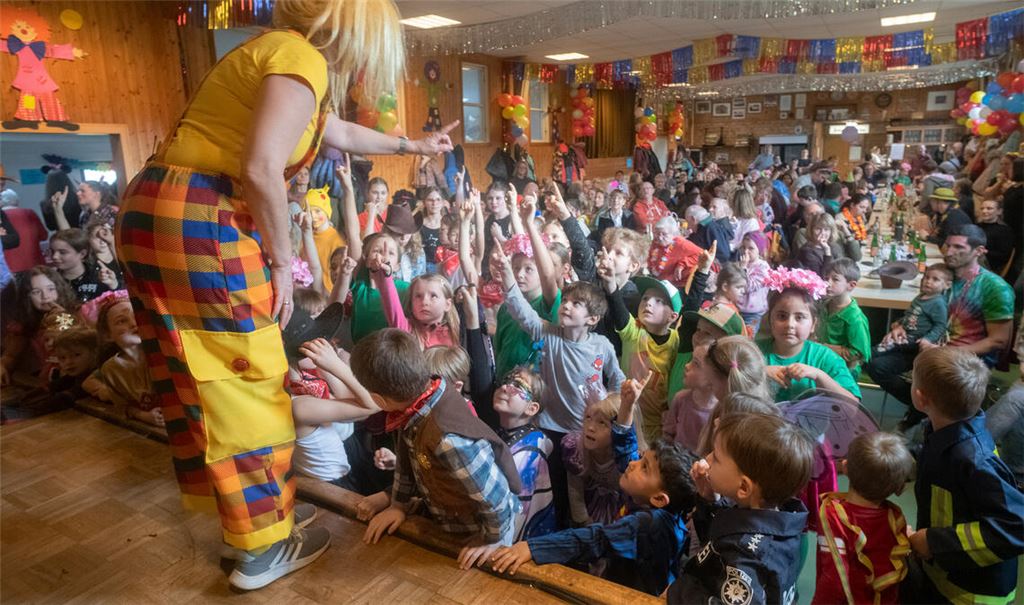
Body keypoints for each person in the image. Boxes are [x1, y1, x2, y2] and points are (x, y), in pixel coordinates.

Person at [114, 0, 457, 589]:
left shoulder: (272, 53)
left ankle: (248, 524)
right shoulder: (301, 57)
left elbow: (334, 132)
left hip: (159, 213)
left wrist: (414, 148)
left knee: (203, 377)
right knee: (249, 380)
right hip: (203, 222)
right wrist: (279, 259)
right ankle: (264, 544)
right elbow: (261, 166)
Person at [357, 329, 522, 570]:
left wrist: (490, 538)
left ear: (378, 399)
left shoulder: (448, 439)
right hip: (452, 520)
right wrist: (397, 505)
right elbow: (406, 460)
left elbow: (497, 499)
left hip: (490, 527)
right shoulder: (421, 397)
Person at [491, 429, 697, 596]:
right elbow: (626, 455)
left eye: (645, 467)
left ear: (659, 499)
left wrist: (532, 547)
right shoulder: (668, 512)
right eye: (641, 458)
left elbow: (595, 539)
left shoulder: (648, 524)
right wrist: (627, 407)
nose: (632, 464)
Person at [904, 347, 1024, 605]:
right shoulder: (945, 430)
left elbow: (1017, 526)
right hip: (945, 576)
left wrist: (933, 542)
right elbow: (927, 456)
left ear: (920, 397)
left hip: (974, 594)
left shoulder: (973, 459)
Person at [867, 225, 1013, 429]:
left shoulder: (995, 287)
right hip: (926, 344)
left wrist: (946, 351)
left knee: (930, 381)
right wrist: (899, 326)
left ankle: (925, 412)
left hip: (964, 358)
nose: (949, 252)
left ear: (979, 251)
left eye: (958, 247)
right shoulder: (943, 277)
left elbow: (998, 340)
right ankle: (923, 408)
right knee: (873, 363)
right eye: (948, 245)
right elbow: (921, 311)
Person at [668, 413, 813, 604]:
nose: (707, 458)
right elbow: (718, 541)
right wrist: (709, 501)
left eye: (716, 457)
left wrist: (680, 590)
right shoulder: (776, 518)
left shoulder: (746, 557)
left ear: (744, 487)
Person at [813, 432, 915, 605]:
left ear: (845, 467)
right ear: (897, 487)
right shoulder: (894, 515)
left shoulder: (835, 518)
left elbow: (833, 582)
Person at [759, 270, 860, 402]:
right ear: (770, 320)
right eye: (782, 316)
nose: (790, 324)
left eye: (800, 317)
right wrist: (759, 372)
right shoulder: (753, 352)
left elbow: (853, 405)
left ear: (813, 324)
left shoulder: (825, 358)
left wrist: (819, 376)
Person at [491, 366, 556, 541]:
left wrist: (491, 542)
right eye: (505, 381)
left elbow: (516, 509)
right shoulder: (500, 433)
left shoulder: (529, 451)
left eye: (518, 386)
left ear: (531, 408)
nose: (505, 387)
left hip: (515, 540)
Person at [81, 292, 162, 427]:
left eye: (136, 316)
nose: (134, 324)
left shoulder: (162, 354)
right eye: (122, 321)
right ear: (108, 335)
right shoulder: (110, 369)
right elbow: (122, 405)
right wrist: (144, 416)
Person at [874, 263, 951, 357]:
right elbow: (911, 314)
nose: (928, 281)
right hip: (905, 333)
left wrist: (928, 339)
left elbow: (940, 325)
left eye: (935, 279)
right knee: (881, 348)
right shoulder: (920, 297)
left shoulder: (938, 303)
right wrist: (900, 322)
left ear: (947, 285)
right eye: (926, 277)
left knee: (881, 350)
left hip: (915, 339)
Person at [818, 259, 871, 380]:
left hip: (844, 371)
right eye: (826, 278)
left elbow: (858, 353)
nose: (828, 283)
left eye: (835, 279)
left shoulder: (855, 318)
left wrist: (823, 347)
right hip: (823, 363)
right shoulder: (823, 305)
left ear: (851, 285)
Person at [974, 198, 1015, 277]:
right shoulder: (977, 226)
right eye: (982, 208)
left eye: (989, 208)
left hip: (989, 266)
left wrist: (985, 252)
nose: (984, 211)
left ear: (999, 211)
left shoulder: (1004, 230)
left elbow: (1004, 255)